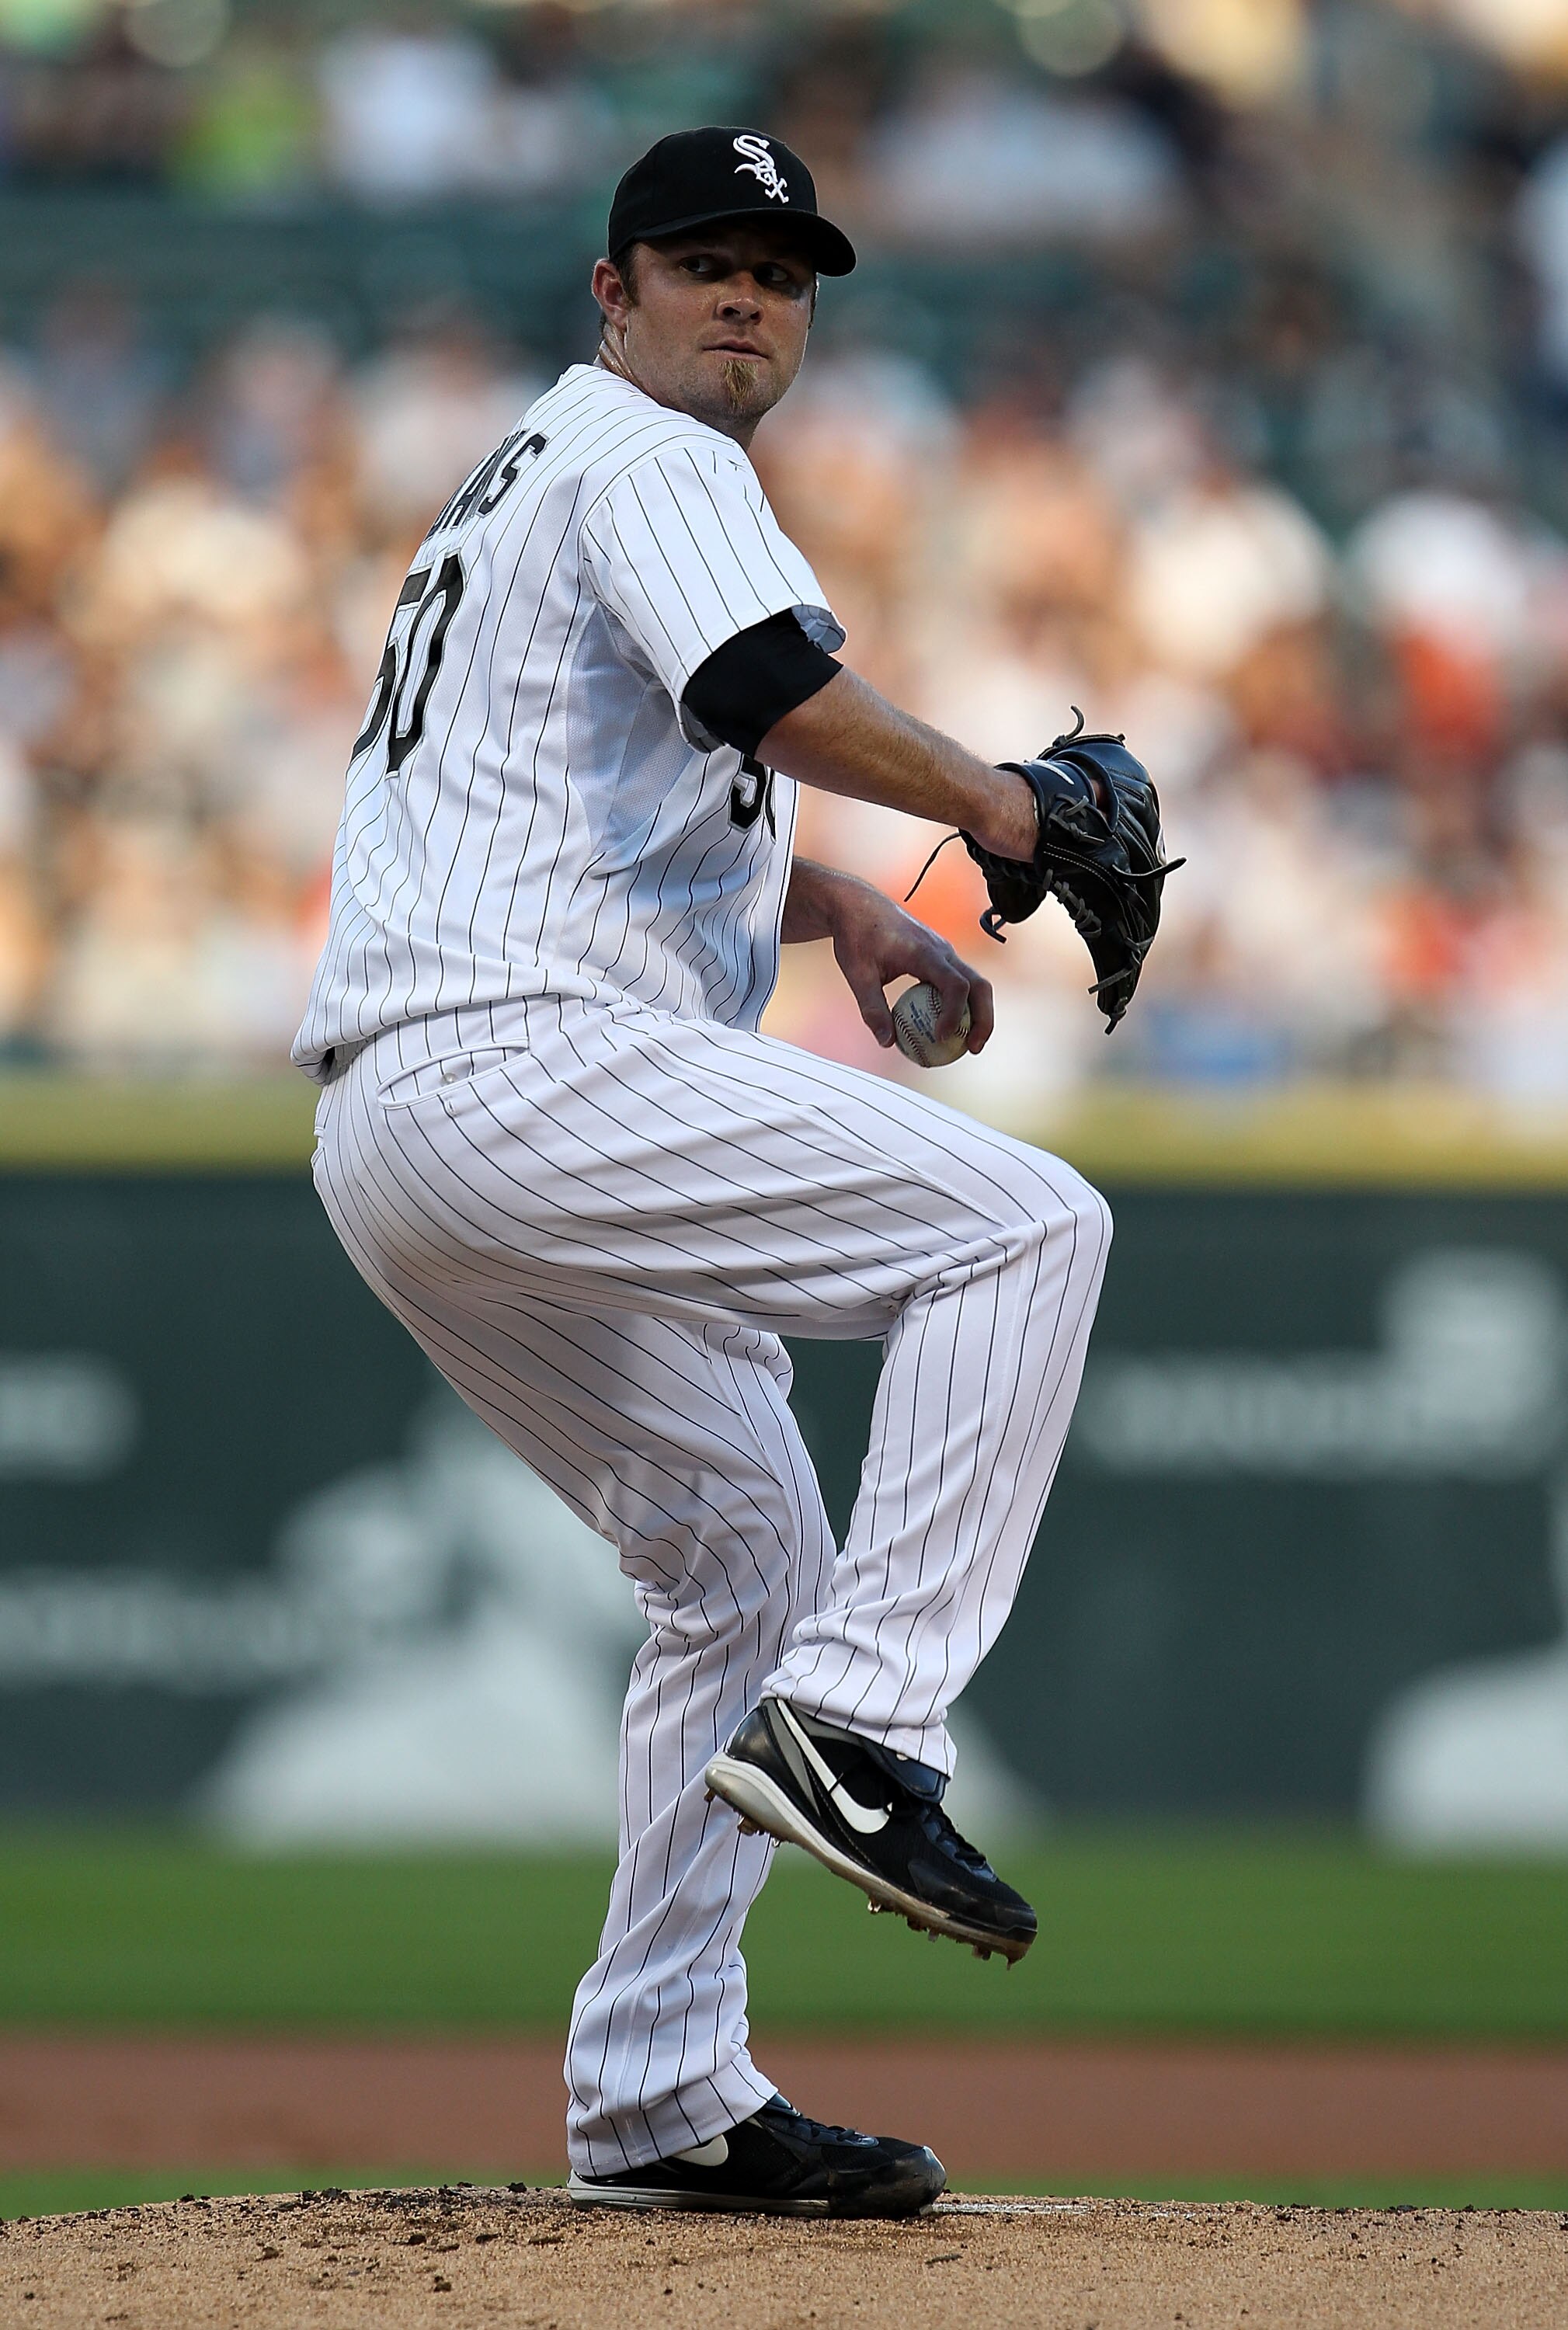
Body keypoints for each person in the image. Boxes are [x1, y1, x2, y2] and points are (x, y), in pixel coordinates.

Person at [295, 127, 1112, 2218]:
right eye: (700, 260)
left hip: (413, 1126)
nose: (746, 296)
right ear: (614, 289)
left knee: (736, 1557)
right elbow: (766, 688)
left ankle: (659, 2088)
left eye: (780, 266)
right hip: (525, 1072)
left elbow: (590, 783)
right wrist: (1000, 807)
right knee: (1026, 1222)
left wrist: (836, 907)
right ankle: (861, 1727)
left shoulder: (526, 485)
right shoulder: (654, 460)